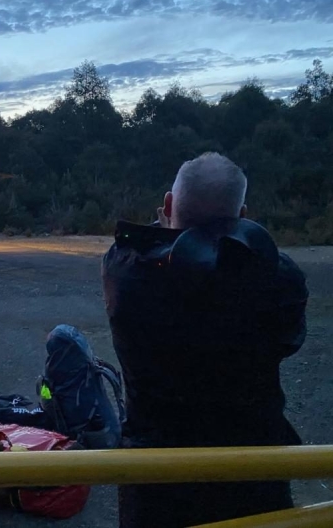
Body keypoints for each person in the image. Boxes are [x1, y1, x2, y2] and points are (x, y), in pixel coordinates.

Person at [101, 152, 308, 528]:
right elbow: (288, 334)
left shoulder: (124, 271)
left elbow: (136, 245)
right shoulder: (278, 281)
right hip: (252, 471)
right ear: (243, 216)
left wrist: (174, 226)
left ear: (167, 205)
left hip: (155, 478)